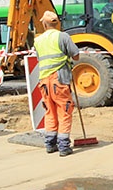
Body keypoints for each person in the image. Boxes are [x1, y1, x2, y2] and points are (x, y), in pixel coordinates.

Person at [33, 11, 81, 157]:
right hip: (59, 79)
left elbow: (39, 58)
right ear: (57, 23)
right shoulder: (63, 36)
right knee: (64, 110)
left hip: (44, 82)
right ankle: (64, 145)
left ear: (44, 24)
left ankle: (50, 143)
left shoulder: (38, 40)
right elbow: (76, 56)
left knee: (50, 111)